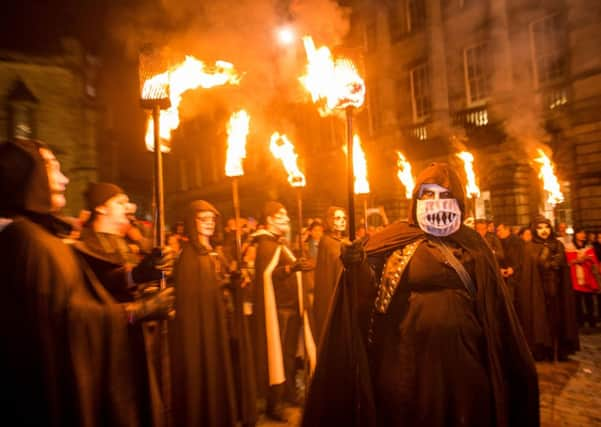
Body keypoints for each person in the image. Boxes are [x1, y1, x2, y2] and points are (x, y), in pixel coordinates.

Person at [303, 162, 539, 427]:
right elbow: (367, 294)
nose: (436, 201)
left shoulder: (474, 243)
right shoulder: (392, 239)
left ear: (459, 201)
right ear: (416, 197)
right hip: (408, 361)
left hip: (466, 359)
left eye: (446, 194)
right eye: (428, 193)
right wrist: (355, 264)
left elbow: (495, 304)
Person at [0, 139, 174, 426]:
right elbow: (69, 320)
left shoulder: (46, 237)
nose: (65, 178)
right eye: (54, 168)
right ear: (29, 176)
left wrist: (139, 274)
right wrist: (135, 312)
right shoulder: (26, 242)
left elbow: (89, 282)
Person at [170, 200, 256, 427]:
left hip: (223, 323)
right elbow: (194, 297)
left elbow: (223, 283)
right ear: (192, 222)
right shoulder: (188, 257)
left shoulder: (215, 253)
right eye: (203, 219)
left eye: (211, 219)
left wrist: (236, 280)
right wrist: (223, 284)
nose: (209, 224)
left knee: (227, 367)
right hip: (204, 329)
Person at [252, 201, 314, 421]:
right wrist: (291, 268)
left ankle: (288, 396)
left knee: (288, 357)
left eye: (287, 215)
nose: (287, 219)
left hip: (291, 309)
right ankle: (274, 404)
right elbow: (270, 275)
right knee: (276, 358)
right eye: (281, 216)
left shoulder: (279, 244)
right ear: (269, 220)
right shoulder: (266, 245)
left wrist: (300, 266)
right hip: (279, 311)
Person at [516, 215, 579, 361]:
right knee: (540, 321)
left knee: (558, 320)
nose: (543, 231)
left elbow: (560, 265)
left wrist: (554, 261)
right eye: (539, 228)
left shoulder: (558, 245)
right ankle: (543, 350)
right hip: (538, 292)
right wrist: (545, 260)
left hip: (557, 290)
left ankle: (559, 350)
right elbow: (529, 270)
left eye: (546, 227)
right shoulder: (529, 247)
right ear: (534, 230)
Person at [312, 206, 347, 345]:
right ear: (329, 220)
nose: (342, 221)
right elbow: (326, 274)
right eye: (338, 218)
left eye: (344, 218)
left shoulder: (342, 241)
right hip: (333, 292)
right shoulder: (326, 242)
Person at [565, 227, 601, 327]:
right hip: (574, 278)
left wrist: (587, 259)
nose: (582, 235)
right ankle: (580, 322)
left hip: (588, 277)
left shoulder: (589, 247)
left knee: (589, 301)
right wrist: (577, 260)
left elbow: (594, 261)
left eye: (584, 233)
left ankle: (591, 322)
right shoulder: (568, 247)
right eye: (580, 233)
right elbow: (567, 262)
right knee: (577, 302)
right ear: (575, 234)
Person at [496, 223, 524, 301]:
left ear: (507, 229)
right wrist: (500, 269)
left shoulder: (518, 241)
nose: (498, 233)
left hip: (517, 277)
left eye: (499, 230)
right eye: (497, 231)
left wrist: (514, 268)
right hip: (504, 276)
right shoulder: (498, 241)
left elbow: (522, 258)